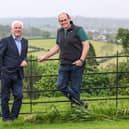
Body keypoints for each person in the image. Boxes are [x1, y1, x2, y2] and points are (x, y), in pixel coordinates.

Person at [38, 12, 89, 108]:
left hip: (77, 65)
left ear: (69, 19)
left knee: (75, 88)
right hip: (64, 64)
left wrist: (81, 60)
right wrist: (45, 56)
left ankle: (76, 111)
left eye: (65, 20)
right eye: (61, 21)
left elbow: (86, 44)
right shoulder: (59, 31)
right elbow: (57, 47)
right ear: (59, 22)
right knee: (60, 85)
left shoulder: (78, 30)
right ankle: (81, 104)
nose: (63, 22)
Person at [0, 20, 28, 121]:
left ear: (22, 30)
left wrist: (25, 60)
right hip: (6, 73)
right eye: (15, 28)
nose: (17, 29)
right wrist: (1, 71)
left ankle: (13, 117)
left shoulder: (25, 41)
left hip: (18, 74)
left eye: (19, 28)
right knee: (5, 97)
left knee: (19, 95)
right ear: (11, 30)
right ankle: (6, 118)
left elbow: (24, 55)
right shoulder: (5, 41)